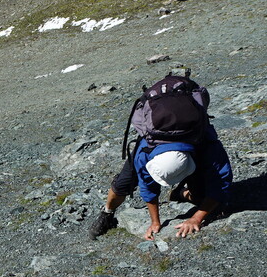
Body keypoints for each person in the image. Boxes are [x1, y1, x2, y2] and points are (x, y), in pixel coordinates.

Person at [89, 97, 232, 241]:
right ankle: (107, 213)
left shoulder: (208, 146)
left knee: (214, 204)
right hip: (154, 149)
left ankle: (182, 194)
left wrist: (196, 218)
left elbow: (221, 183)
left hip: (194, 150)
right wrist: (155, 222)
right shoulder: (144, 154)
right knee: (121, 185)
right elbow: (148, 187)